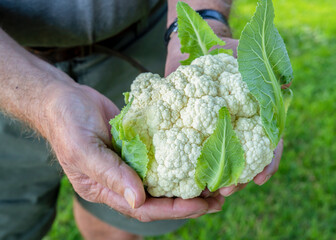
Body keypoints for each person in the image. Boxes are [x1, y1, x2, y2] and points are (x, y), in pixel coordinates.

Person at [0, 0, 283, 239]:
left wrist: (205, 17)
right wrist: (42, 101)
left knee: (118, 225)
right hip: (9, 67)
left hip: (149, 44)